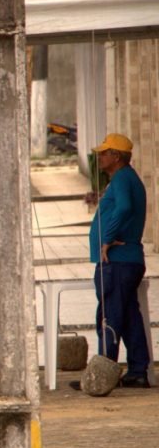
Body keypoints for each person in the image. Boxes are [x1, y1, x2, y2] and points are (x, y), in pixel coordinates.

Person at [86, 133, 149, 387]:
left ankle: (103, 375)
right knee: (129, 317)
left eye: (104, 153)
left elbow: (123, 208)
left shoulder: (123, 177)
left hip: (118, 262)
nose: (99, 157)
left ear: (116, 156)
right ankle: (138, 370)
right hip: (126, 261)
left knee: (109, 317)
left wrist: (107, 237)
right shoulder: (125, 178)